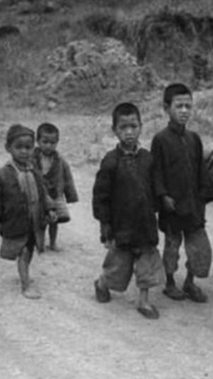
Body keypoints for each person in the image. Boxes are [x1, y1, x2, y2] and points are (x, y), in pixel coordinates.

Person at [92, 102, 164, 319]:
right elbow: (101, 196)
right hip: (121, 226)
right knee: (117, 268)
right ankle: (102, 283)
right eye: (123, 127)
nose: (129, 132)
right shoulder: (110, 161)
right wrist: (105, 225)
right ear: (115, 130)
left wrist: (161, 203)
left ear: (141, 127)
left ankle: (144, 301)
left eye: (133, 126)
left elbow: (157, 187)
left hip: (145, 225)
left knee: (147, 265)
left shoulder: (148, 159)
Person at [151, 83, 213, 303]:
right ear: (166, 108)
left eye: (188, 106)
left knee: (198, 248)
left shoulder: (194, 139)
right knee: (172, 246)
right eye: (179, 106)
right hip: (172, 206)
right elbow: (156, 172)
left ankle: (190, 281)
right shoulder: (160, 140)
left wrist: (204, 196)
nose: (184, 111)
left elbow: (201, 170)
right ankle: (170, 283)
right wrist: (163, 196)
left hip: (193, 204)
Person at [0, 124, 56, 299]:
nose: (24, 151)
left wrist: (50, 208)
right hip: (16, 221)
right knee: (23, 251)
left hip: (34, 221)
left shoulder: (34, 171)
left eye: (28, 147)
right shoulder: (3, 174)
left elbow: (43, 192)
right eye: (19, 147)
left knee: (29, 249)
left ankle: (24, 273)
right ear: (8, 148)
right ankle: (26, 285)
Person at [34, 122, 79, 251]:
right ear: (38, 141)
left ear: (57, 143)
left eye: (52, 143)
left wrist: (70, 195)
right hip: (39, 195)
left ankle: (53, 243)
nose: (49, 146)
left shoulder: (60, 160)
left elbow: (67, 177)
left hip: (55, 194)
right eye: (45, 142)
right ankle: (40, 244)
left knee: (55, 221)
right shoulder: (32, 158)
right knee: (40, 220)